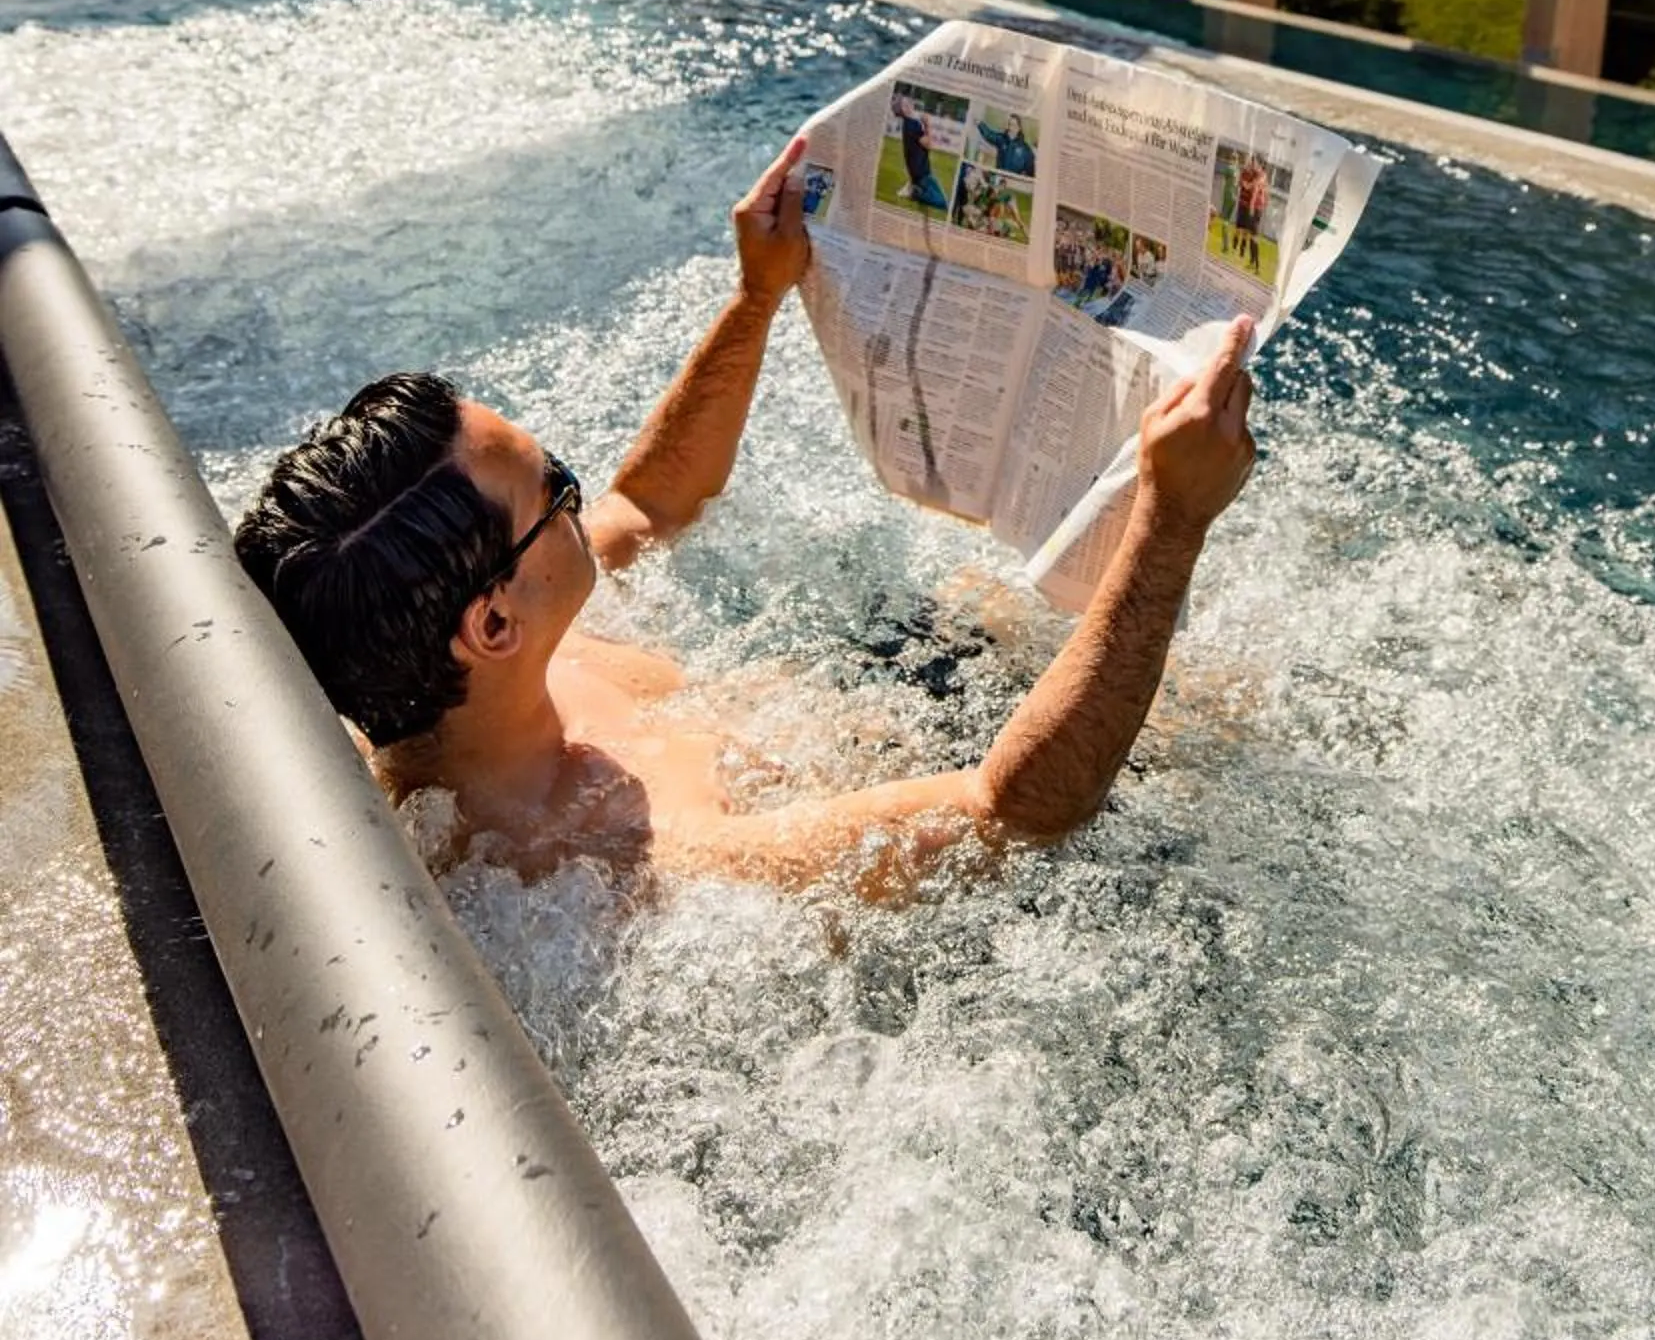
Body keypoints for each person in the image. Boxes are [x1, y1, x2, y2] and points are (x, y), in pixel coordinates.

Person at [234, 140, 1258, 901]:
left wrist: (756, 295)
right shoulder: (620, 868)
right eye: (557, 494)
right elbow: (1011, 811)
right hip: (1009, 804)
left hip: (857, 703)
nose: (583, 503)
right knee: (1215, 738)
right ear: (491, 622)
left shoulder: (464, 661)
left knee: (984, 601)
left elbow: (651, 500)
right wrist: (1170, 518)